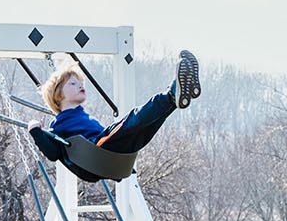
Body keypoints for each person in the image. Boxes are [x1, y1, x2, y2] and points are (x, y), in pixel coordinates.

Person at [29, 51, 200, 166]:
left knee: (145, 126)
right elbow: (53, 153)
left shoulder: (81, 115)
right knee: (134, 119)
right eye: (73, 83)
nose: (80, 85)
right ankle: (172, 93)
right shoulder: (59, 124)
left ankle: (176, 96)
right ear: (58, 95)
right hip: (98, 151)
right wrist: (36, 131)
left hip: (115, 155)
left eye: (80, 82)